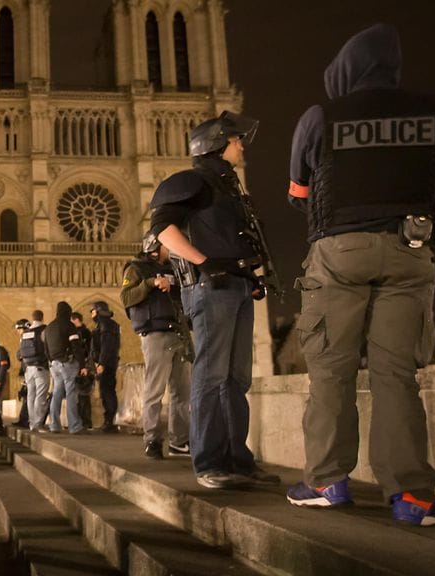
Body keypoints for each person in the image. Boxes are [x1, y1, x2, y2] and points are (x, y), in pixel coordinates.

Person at [284, 24, 435, 526]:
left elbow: (298, 192)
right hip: (411, 249)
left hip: (339, 252)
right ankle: (412, 497)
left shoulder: (321, 116)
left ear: (344, 72)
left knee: (330, 372)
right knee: (397, 376)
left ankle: (325, 481)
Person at [149, 111, 279, 489]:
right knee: (210, 374)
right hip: (210, 289)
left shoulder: (229, 187)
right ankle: (208, 463)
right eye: (237, 140)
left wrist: (250, 278)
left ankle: (238, 459)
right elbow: (161, 229)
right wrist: (203, 263)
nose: (241, 147)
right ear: (218, 143)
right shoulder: (195, 181)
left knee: (236, 378)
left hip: (236, 287)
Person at [121, 233, 191, 459]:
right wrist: (151, 283)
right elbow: (126, 297)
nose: (172, 247)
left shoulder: (176, 268)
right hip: (155, 334)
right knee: (155, 390)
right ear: (154, 246)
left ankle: (179, 441)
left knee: (182, 392)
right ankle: (152, 439)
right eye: (167, 244)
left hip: (179, 332)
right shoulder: (136, 268)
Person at [43, 301, 86, 434]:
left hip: (54, 364)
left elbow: (45, 348)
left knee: (57, 393)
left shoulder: (49, 327)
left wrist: (51, 361)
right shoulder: (69, 325)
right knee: (71, 393)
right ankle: (74, 426)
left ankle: (54, 425)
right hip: (67, 363)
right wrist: (82, 364)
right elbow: (75, 346)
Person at [89, 301, 121, 433]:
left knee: (107, 391)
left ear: (98, 311)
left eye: (92, 311)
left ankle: (109, 422)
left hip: (107, 363)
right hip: (109, 362)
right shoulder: (107, 324)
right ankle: (109, 421)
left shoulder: (105, 325)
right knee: (107, 391)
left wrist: (101, 363)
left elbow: (106, 345)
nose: (91, 313)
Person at [20, 309, 51, 432]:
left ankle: (32, 423)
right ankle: (38, 423)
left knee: (30, 396)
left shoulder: (26, 332)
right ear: (42, 318)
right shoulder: (44, 330)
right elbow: (48, 347)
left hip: (28, 368)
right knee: (41, 395)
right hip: (40, 367)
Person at [70, 312, 94, 430]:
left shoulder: (83, 332)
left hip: (82, 365)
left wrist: (84, 365)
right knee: (80, 395)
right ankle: (83, 421)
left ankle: (85, 421)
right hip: (82, 364)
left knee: (83, 394)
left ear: (75, 320)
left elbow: (87, 350)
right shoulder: (86, 332)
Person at [11, 319, 31, 428]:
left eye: (18, 329)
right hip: (27, 370)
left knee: (28, 396)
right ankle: (23, 419)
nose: (18, 331)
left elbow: (20, 354)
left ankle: (25, 420)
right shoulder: (24, 338)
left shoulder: (27, 337)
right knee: (26, 396)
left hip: (29, 371)